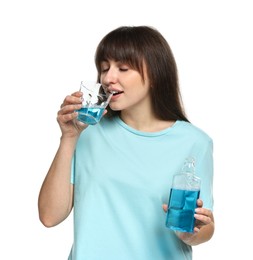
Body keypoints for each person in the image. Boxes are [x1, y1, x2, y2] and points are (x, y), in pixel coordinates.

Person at [38, 26, 215, 260]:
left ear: (155, 74)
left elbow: (204, 225)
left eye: (123, 68)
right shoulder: (87, 133)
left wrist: (190, 234)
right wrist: (68, 137)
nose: (108, 78)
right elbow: (50, 216)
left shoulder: (194, 142)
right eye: (104, 68)